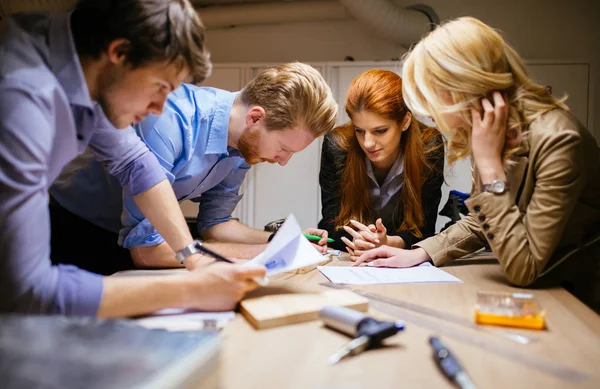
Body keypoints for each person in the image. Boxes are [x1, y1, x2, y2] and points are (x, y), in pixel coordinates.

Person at [0, 0, 266, 317]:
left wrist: (191, 255)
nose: (157, 108)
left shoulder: (89, 69)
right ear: (120, 53)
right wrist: (193, 289)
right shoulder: (23, 96)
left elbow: (135, 163)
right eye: (160, 87)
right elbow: (28, 291)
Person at [354, 17, 600, 312]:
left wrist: (489, 166)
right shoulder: (486, 127)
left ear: (464, 86)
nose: (428, 111)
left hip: (578, 296)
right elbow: (482, 220)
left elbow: (524, 269)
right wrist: (421, 253)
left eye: (432, 93)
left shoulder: (559, 140)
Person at [50, 62, 338, 272]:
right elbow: (147, 251)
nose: (283, 161)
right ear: (255, 118)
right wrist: (261, 252)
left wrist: (282, 241)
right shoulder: (169, 121)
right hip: (75, 227)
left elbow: (215, 225)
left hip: (140, 238)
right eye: (283, 149)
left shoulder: (245, 146)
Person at [317, 70, 444, 261]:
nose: (368, 143)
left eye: (380, 131)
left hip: (403, 258)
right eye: (359, 131)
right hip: (346, 257)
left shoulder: (429, 148)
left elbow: (424, 229)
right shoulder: (337, 145)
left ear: (405, 122)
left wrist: (389, 243)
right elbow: (331, 224)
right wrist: (364, 242)